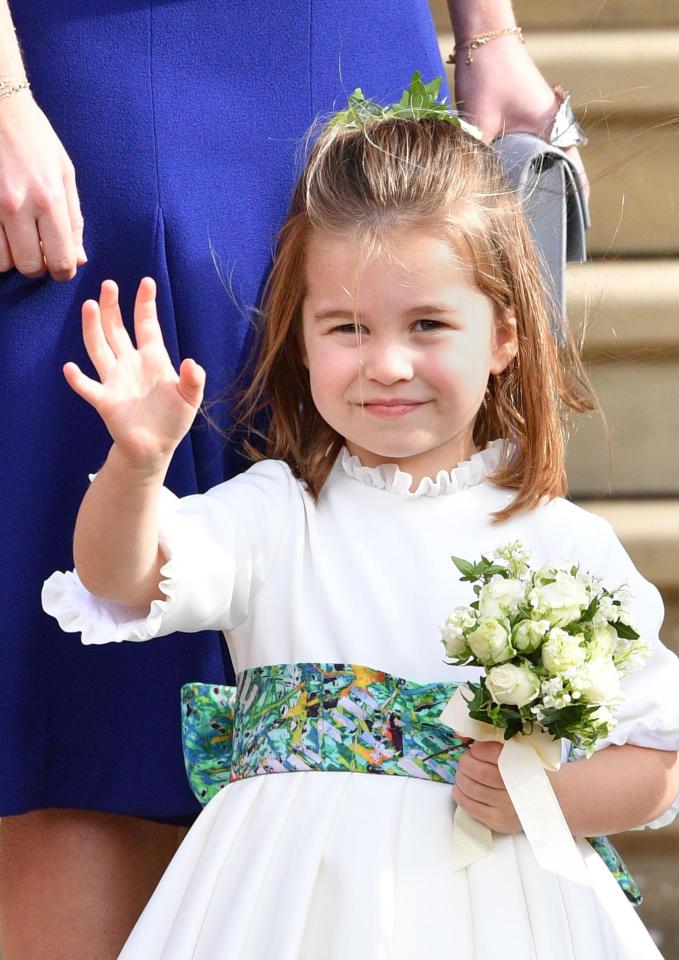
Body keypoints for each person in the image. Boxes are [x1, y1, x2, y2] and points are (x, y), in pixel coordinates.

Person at [41, 102, 679, 959]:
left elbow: (655, 763)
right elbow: (118, 578)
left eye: (429, 325)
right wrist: (138, 466)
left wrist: (541, 798)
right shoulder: (277, 513)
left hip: (493, 914)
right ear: (301, 338)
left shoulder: (564, 542)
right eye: (348, 328)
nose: (388, 364)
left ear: (505, 334)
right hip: (285, 913)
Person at [0, 2, 588, 957]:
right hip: (84, 70)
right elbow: (117, 577)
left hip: (354, 40)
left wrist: (490, 31)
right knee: (89, 708)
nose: (389, 365)